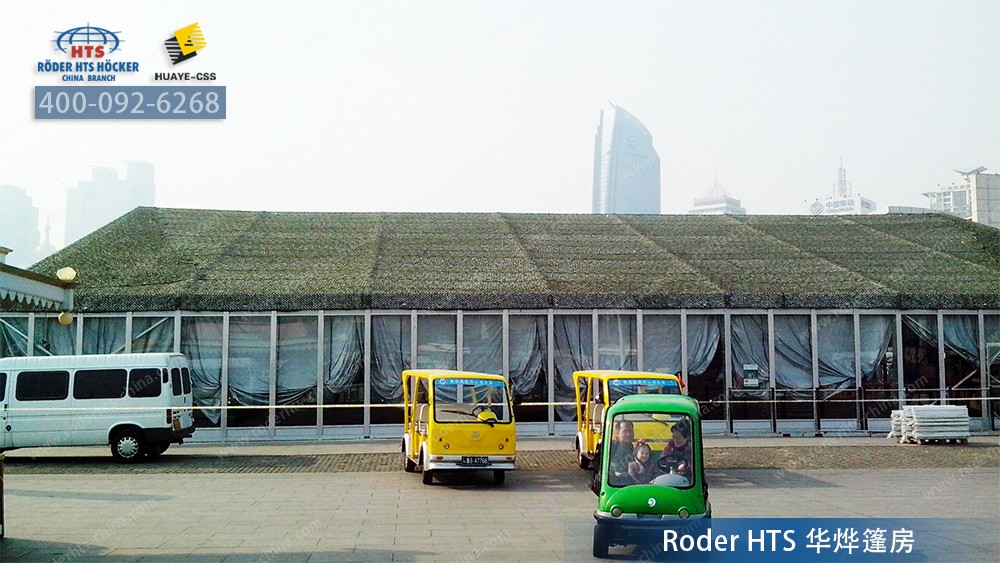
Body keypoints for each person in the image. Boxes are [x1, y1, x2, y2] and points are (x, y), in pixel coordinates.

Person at [607, 419, 635, 484]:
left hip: (627, 480)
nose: (628, 434)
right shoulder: (609, 446)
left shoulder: (633, 448)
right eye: (625, 431)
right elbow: (598, 464)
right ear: (617, 433)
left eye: (631, 431)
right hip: (610, 481)